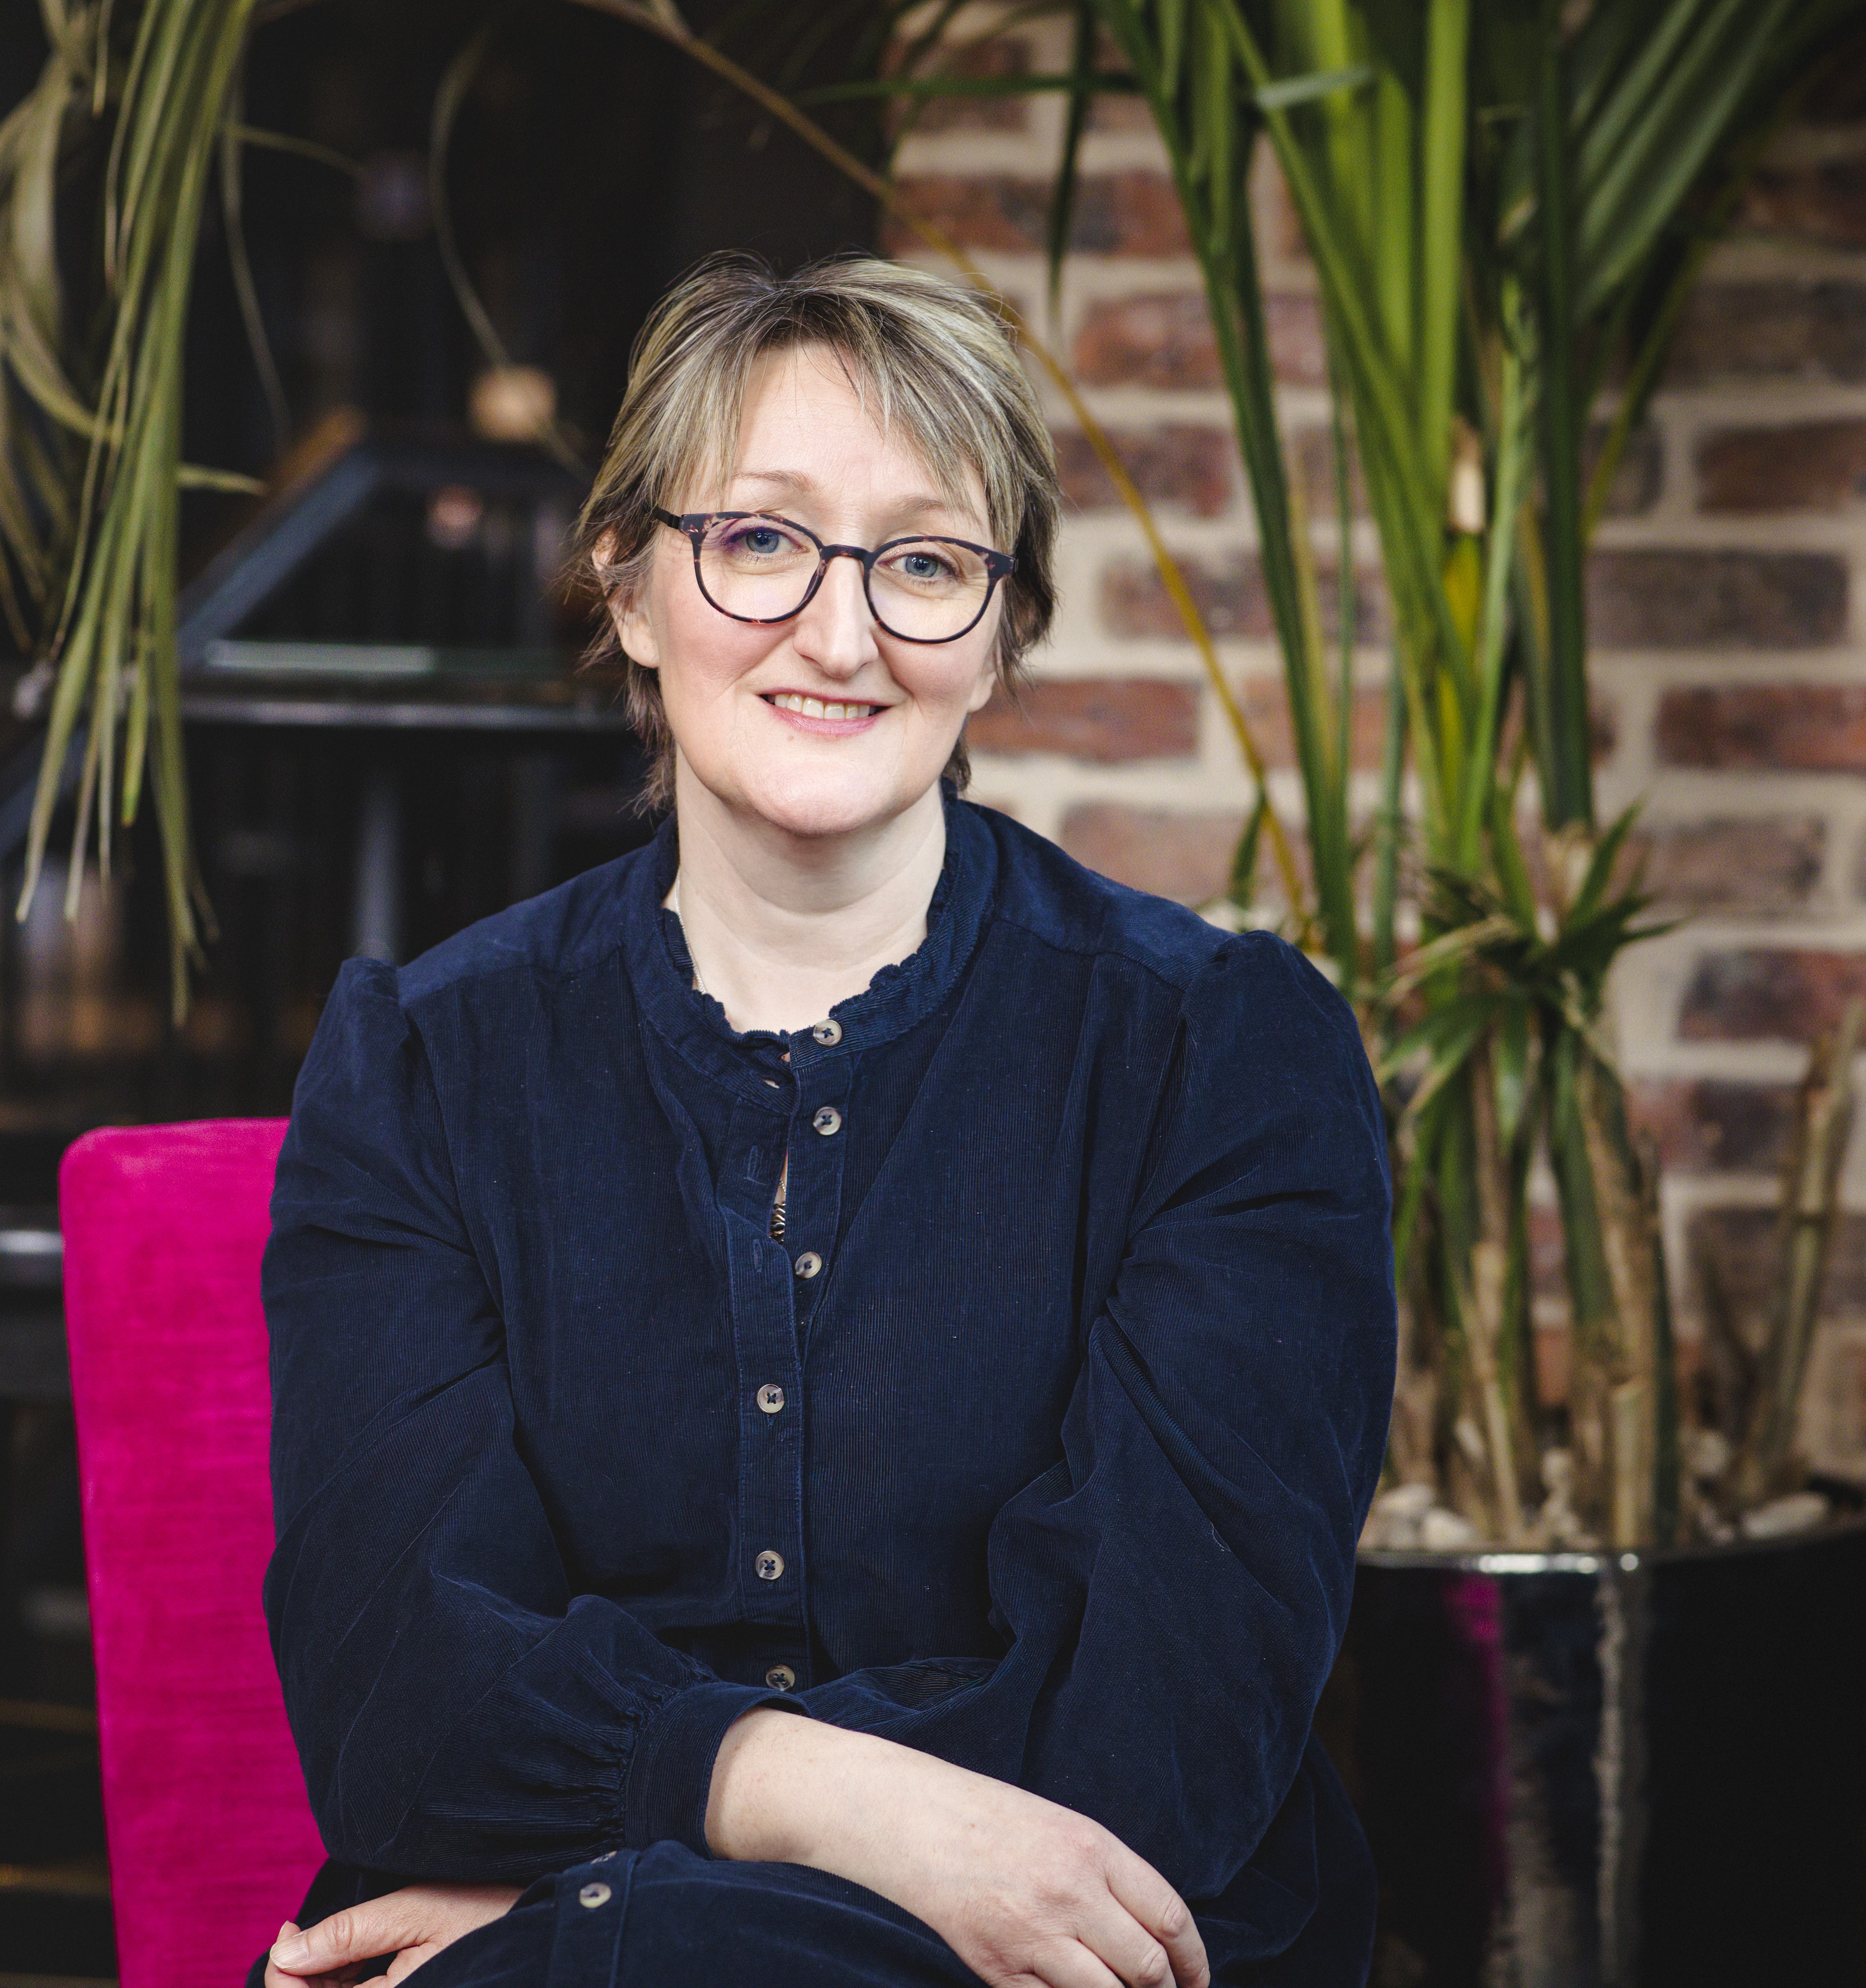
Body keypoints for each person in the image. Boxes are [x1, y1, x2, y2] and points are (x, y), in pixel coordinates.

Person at [256, 252, 1396, 1988]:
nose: (842, 634)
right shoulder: (421, 1068)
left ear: (1004, 634)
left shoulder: (1221, 1059)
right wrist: (792, 1800)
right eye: (762, 539)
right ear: (630, 587)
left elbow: (1157, 1737)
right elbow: (394, 1697)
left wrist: (597, 1910)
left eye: (925, 562)